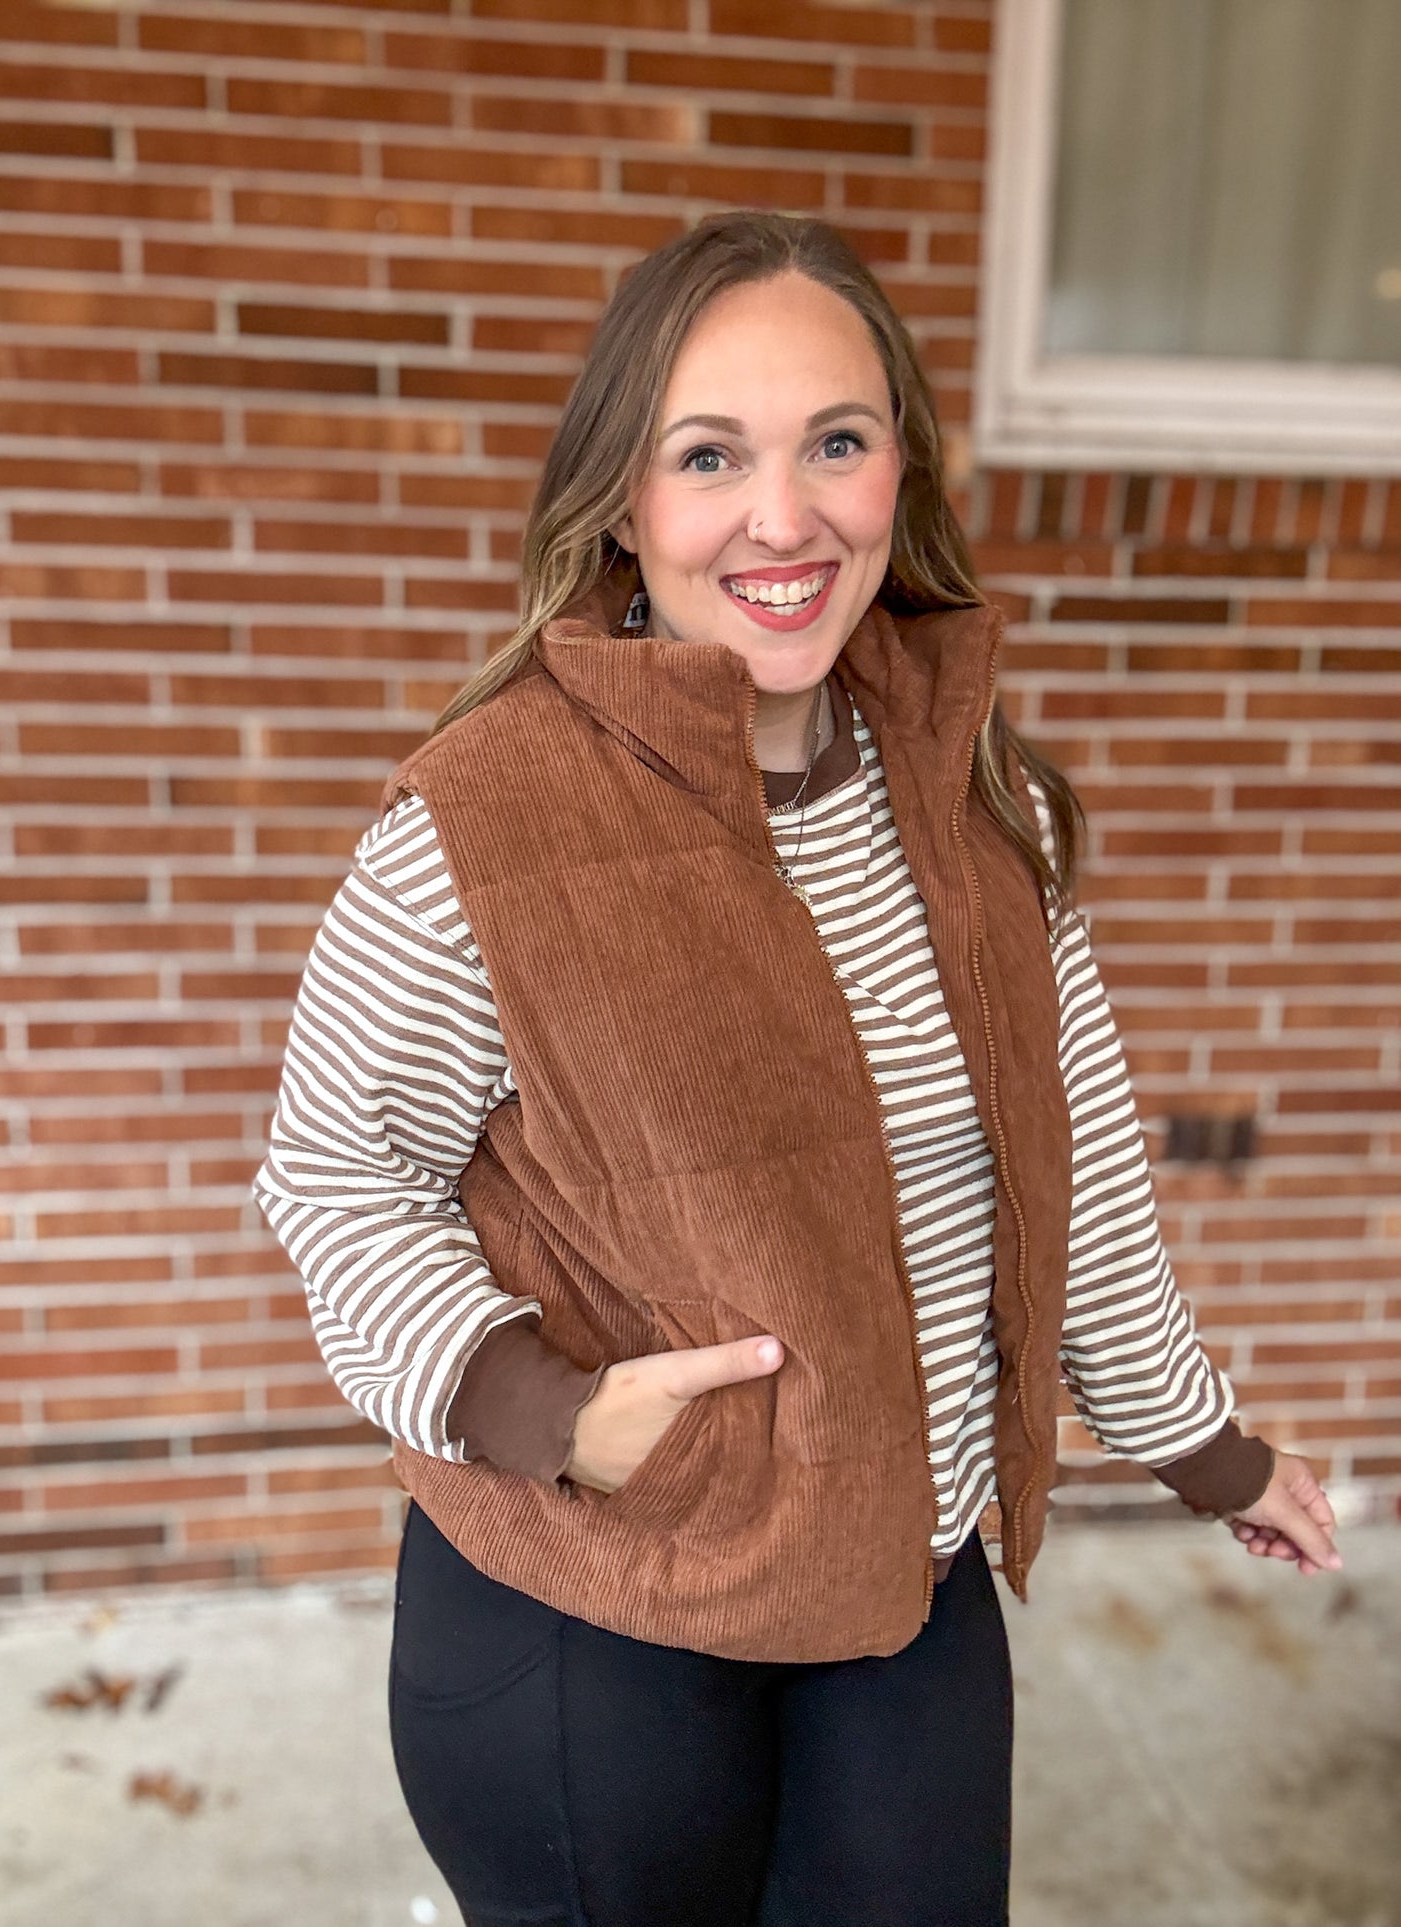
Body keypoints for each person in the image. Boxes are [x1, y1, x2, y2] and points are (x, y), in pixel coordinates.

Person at [254, 211, 1341, 1927]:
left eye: (835, 440)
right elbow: (337, 1170)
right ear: (624, 501)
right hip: (593, 1610)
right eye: (710, 456)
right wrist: (546, 1412)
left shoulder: (986, 800)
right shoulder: (477, 822)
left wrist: (1202, 1447)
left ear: (898, 466)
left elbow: (1069, 1182)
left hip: (897, 1583)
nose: (785, 516)